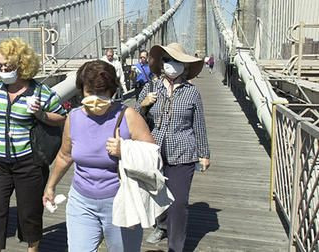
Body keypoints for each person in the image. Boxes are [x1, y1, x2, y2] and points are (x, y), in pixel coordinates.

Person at [43, 60, 155, 252]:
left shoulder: (128, 116)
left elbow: (153, 156)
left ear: (112, 91)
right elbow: (65, 155)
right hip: (81, 202)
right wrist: (50, 187)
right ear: (81, 91)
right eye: (89, 92)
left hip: (121, 202)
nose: (95, 98)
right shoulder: (74, 117)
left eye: (101, 93)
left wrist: (125, 150)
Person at [0, 38, 67, 252]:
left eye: (9, 66)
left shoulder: (40, 91)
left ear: (22, 65)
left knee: (29, 212)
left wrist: (40, 114)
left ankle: (32, 248)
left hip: (29, 163)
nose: (3, 70)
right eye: (0, 66)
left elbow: (61, 117)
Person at [136, 43, 210, 252]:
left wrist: (204, 154)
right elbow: (135, 119)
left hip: (183, 152)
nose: (171, 65)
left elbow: (199, 124)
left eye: (176, 61)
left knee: (178, 203)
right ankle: (161, 225)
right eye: (167, 60)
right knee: (157, 196)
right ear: (161, 64)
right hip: (154, 151)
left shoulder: (192, 92)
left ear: (185, 67)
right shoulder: (150, 88)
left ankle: (175, 247)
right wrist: (143, 106)